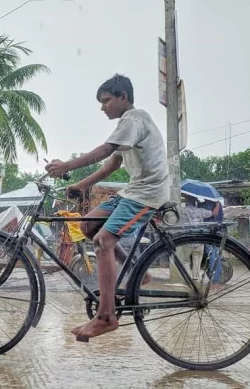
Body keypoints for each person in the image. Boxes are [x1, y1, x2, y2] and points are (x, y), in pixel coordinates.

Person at [45, 74, 170, 341]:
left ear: (123, 97)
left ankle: (106, 317)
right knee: (88, 225)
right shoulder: (130, 126)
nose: (103, 107)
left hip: (147, 194)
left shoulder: (133, 119)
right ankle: (141, 271)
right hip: (133, 191)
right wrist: (81, 184)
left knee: (103, 240)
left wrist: (66, 165)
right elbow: (111, 165)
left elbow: (105, 150)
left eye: (106, 101)